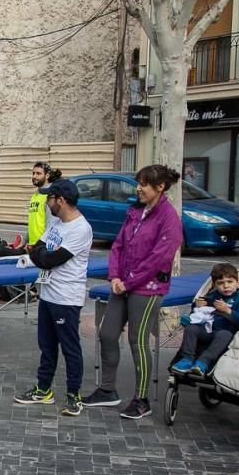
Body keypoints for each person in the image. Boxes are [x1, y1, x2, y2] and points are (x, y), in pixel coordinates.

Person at [84, 164, 183, 420]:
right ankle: (107, 390)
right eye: (138, 183)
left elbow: (159, 259)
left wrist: (129, 282)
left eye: (144, 184)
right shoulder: (135, 212)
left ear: (160, 187)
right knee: (107, 334)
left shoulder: (169, 218)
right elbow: (118, 245)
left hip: (147, 289)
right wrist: (115, 276)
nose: (138, 188)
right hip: (122, 284)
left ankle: (142, 400)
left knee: (137, 341)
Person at [13, 179, 93, 417]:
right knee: (46, 345)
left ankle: (73, 395)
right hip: (48, 292)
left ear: (61, 200)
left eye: (50, 198)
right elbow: (37, 248)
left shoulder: (81, 228)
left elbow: (49, 259)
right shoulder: (56, 222)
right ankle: (43, 388)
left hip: (67, 297)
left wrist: (41, 254)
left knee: (70, 347)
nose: (47, 202)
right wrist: (41, 253)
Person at [172, 263, 239, 377]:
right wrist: (197, 306)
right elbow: (199, 314)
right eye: (221, 283)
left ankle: (204, 361)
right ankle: (187, 359)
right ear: (214, 285)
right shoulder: (213, 295)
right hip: (208, 331)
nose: (226, 286)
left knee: (224, 334)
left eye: (230, 282)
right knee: (191, 328)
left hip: (226, 332)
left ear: (238, 282)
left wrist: (228, 310)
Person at [27, 163, 62, 248]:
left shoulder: (50, 195)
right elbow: (32, 222)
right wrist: (25, 241)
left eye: (38, 173)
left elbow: (51, 225)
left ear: (47, 175)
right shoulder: (35, 196)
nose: (34, 176)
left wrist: (40, 245)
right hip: (33, 245)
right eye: (33, 173)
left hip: (43, 245)